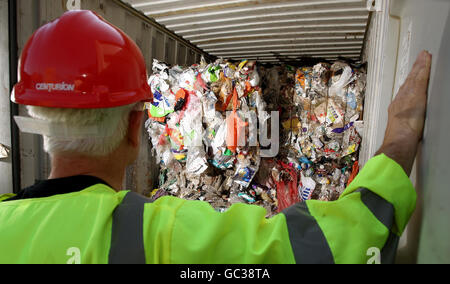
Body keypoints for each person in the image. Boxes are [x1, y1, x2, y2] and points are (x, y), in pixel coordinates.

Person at [0, 10, 432, 264]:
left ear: (40, 126)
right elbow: (324, 250)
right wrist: (399, 138)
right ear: (136, 127)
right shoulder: (160, 233)